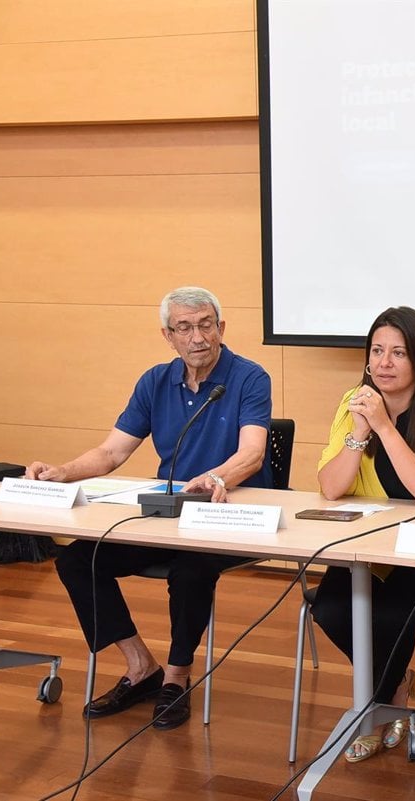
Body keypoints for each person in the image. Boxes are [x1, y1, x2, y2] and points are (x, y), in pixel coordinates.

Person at [28, 286, 273, 730]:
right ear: (168, 335)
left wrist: (216, 477)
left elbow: (252, 454)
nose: (197, 337)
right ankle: (141, 665)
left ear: (221, 328)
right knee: (79, 560)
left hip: (228, 518)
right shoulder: (155, 382)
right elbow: (110, 454)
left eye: (205, 325)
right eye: (185, 327)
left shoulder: (249, 377)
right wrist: (63, 472)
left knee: (190, 571)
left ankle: (176, 679)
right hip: (169, 517)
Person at [309, 306, 415, 763]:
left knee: (389, 615)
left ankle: (376, 709)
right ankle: (395, 687)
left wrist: (383, 425)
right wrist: (359, 431)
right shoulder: (353, 403)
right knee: (331, 609)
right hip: (369, 550)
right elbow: (331, 486)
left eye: (397, 353)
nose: (384, 362)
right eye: (376, 351)